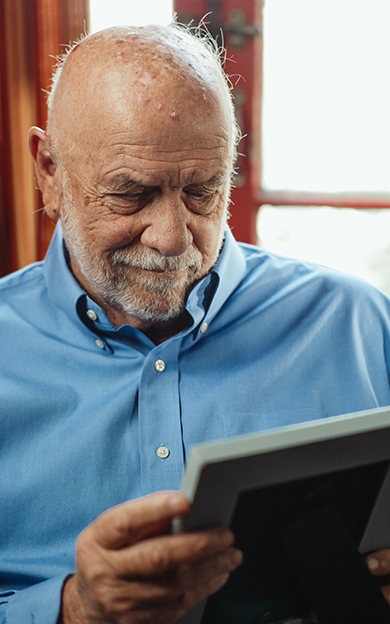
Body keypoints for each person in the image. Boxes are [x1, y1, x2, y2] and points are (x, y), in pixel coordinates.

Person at [1, 22, 390, 624]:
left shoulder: (358, 324)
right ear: (50, 171)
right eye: (131, 195)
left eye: (203, 192)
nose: (173, 237)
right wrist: (71, 610)